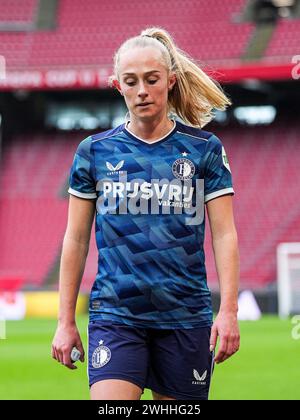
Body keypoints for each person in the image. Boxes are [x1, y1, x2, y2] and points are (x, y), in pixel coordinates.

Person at [52, 26, 240, 401]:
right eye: (131, 81)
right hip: (116, 316)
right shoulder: (94, 152)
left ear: (170, 81)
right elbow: (75, 238)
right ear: (117, 85)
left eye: (152, 80)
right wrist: (64, 320)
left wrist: (229, 311)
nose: (142, 90)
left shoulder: (203, 149)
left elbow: (225, 234)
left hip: (186, 317)